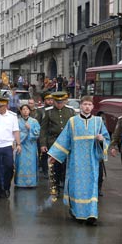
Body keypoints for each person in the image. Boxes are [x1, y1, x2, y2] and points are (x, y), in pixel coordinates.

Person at [48, 96, 110, 226]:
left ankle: (92, 214)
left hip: (92, 162)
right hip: (76, 162)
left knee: (91, 187)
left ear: (92, 107)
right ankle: (77, 213)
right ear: (80, 106)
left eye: (89, 105)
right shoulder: (72, 121)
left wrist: (101, 140)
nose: (87, 107)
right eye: (85, 104)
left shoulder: (98, 122)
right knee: (77, 188)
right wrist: (54, 155)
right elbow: (65, 140)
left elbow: (106, 139)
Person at [40, 91, 75, 189]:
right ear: (54, 101)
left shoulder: (71, 111)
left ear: (65, 101)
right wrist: (43, 144)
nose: (59, 104)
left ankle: (65, 183)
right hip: (54, 142)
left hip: (68, 142)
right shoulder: (48, 111)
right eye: (57, 102)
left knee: (66, 164)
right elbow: (43, 129)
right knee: (55, 165)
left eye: (61, 102)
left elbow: (75, 127)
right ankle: (56, 185)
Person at [14, 104, 40, 187]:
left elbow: (38, 132)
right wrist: (23, 135)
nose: (25, 111)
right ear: (21, 111)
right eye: (23, 109)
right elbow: (15, 133)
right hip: (21, 145)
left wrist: (30, 129)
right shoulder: (17, 121)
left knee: (31, 162)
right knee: (21, 162)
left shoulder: (34, 121)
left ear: (29, 111)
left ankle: (31, 182)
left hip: (31, 145)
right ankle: (20, 182)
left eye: (27, 109)